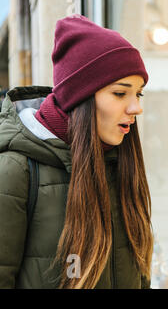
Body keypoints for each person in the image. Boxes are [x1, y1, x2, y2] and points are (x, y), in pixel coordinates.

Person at [0, 15, 153, 289]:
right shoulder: (15, 170)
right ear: (79, 98)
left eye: (138, 94)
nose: (136, 107)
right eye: (120, 93)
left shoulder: (119, 162)